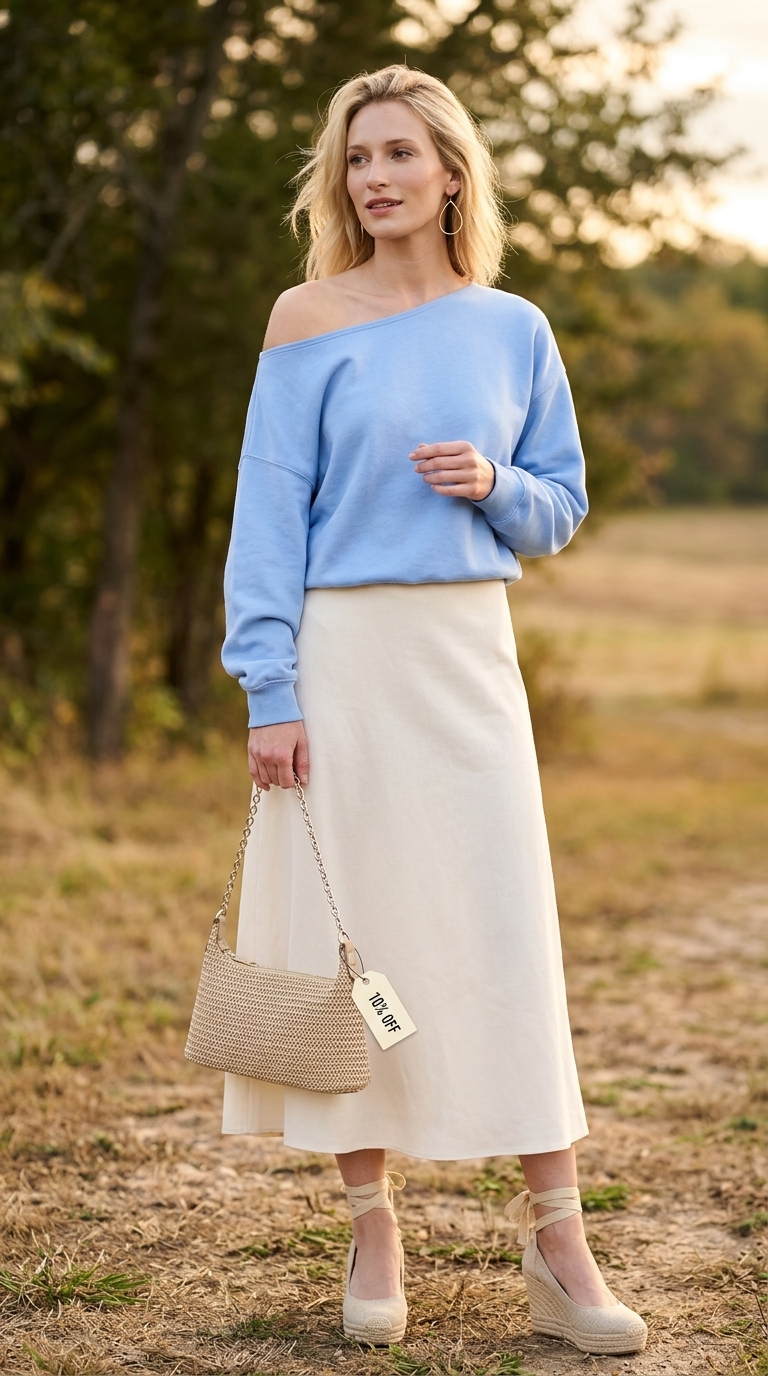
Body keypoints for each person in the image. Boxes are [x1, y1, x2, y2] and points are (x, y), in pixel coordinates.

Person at [220, 64, 647, 1356]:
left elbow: (560, 503)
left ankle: (558, 1241)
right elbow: (264, 522)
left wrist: (495, 485)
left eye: (402, 152)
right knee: (365, 943)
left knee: (503, 928)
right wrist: (272, 688)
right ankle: (372, 1220)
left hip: (468, 655)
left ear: (453, 172)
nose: (379, 177)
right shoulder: (306, 318)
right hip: (345, 660)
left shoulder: (512, 326)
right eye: (360, 158)